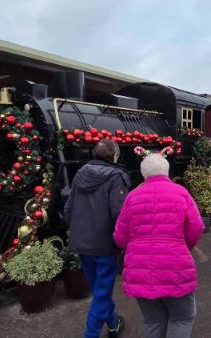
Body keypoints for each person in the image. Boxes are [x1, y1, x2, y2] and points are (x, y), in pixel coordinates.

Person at [114, 154, 204, 338]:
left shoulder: (132, 197)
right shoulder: (180, 193)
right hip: (175, 268)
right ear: (166, 171)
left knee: (154, 320)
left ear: (143, 174)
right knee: (181, 318)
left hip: (139, 270)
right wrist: (182, 245)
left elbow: (120, 238)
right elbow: (196, 227)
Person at [65, 139, 130, 338]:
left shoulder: (80, 173)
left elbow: (68, 209)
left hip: (82, 243)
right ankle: (90, 334)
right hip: (105, 245)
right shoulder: (117, 176)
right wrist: (124, 242)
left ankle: (113, 322)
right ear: (113, 156)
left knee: (99, 290)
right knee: (101, 293)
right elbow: (119, 214)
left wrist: (77, 232)